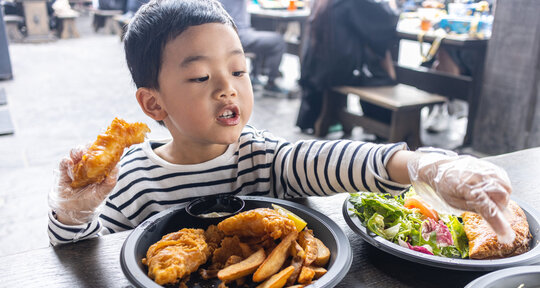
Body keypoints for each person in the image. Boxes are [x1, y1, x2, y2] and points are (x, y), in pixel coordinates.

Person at [47, 0, 514, 246]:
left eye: (239, 70)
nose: (227, 88)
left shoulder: (262, 156)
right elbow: (86, 255)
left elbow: (329, 159)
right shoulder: (132, 180)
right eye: (200, 76)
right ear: (153, 105)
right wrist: (74, 211)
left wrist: (424, 167)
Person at [296, 0, 400, 134]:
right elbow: (383, 22)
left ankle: (331, 118)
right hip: (338, 71)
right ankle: (381, 127)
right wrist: (391, 5)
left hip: (318, 69)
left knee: (372, 70)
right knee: (382, 78)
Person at [219, 0, 288, 94]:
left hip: (224, 35)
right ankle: (271, 83)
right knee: (278, 41)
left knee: (259, 31)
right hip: (239, 35)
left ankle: (255, 75)